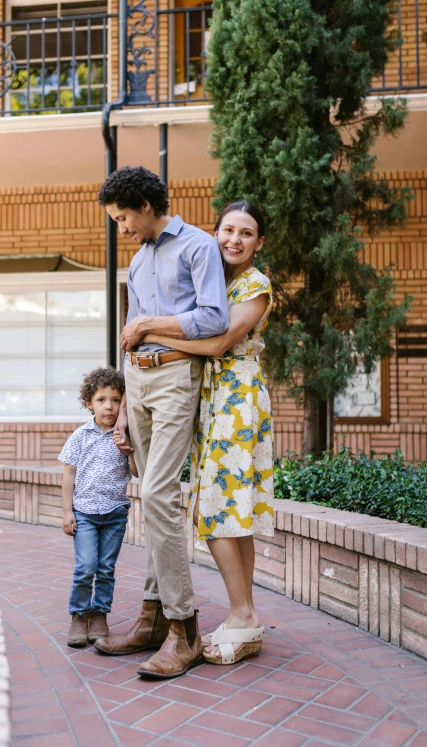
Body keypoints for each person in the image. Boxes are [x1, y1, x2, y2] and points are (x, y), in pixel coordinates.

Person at [93, 165, 229, 679]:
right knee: (148, 495)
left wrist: (150, 322)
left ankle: (184, 629)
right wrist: (123, 408)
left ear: (146, 207)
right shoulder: (138, 259)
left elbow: (214, 318)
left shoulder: (197, 247)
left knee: (158, 494)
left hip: (176, 379)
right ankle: (152, 619)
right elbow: (129, 340)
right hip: (141, 381)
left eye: (123, 217)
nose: (121, 227)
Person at [141, 200, 274, 666]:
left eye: (246, 233)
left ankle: (241, 614)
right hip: (210, 398)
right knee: (231, 507)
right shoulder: (214, 279)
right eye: (228, 230)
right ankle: (246, 614)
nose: (234, 240)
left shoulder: (256, 285)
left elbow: (219, 342)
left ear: (259, 242)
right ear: (215, 233)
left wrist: (157, 338)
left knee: (216, 509)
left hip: (237, 400)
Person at [59, 367, 137, 649]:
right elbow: (69, 474)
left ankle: (100, 614)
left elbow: (136, 471)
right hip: (85, 514)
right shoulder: (81, 436)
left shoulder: (127, 435)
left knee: (105, 568)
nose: (109, 406)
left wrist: (126, 448)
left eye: (116, 400)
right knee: (85, 567)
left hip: (115, 513)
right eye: (102, 399)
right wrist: (67, 511)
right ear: (89, 402)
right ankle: (79, 615)